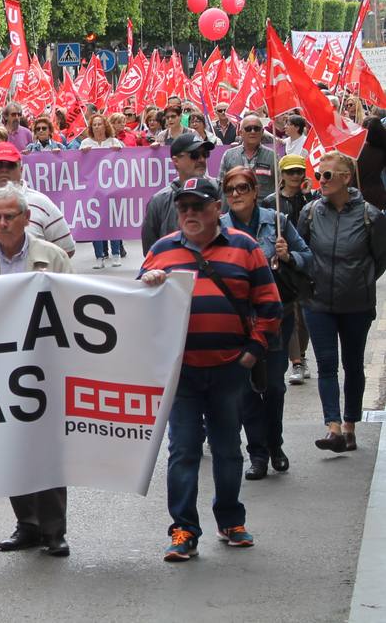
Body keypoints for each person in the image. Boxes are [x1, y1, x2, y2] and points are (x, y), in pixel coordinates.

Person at [140, 177, 281, 562]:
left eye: (198, 207)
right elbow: (136, 308)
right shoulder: (161, 251)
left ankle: (231, 519)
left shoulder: (246, 248)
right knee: (183, 451)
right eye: (183, 207)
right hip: (181, 374)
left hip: (229, 371)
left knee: (226, 450)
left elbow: (270, 305)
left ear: (216, 208)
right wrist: (147, 283)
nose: (189, 214)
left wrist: (253, 352)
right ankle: (183, 529)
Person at [0, 185, 73, 558]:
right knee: (11, 449)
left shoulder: (53, 258)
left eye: (10, 216)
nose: (3, 223)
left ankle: (54, 530)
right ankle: (27, 524)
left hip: (45, 367)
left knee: (47, 451)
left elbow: (72, 311)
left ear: (26, 218)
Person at [219, 167, 311, 481]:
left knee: (273, 386)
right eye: (230, 189)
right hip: (237, 324)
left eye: (243, 188)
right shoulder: (219, 229)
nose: (236, 194)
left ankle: (275, 445)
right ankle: (256, 454)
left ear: (255, 190)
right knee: (245, 392)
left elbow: (307, 257)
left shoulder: (278, 221)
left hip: (275, 318)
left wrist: (289, 256)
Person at [297, 150, 386, 454]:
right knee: (326, 365)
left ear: (346, 178)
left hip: (356, 305)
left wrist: (360, 280)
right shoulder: (309, 212)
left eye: (327, 175)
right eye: (319, 174)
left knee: (353, 365)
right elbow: (303, 251)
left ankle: (350, 425)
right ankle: (332, 427)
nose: (320, 180)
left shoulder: (370, 216)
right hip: (318, 302)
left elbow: (380, 258)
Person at [261, 156, 312, 384]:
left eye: (298, 172)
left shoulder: (310, 199)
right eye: (290, 172)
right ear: (281, 174)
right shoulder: (272, 202)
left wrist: (309, 196)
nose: (294, 176)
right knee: (289, 311)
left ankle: (301, 355)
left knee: (304, 316)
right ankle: (296, 362)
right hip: (280, 265)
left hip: (302, 261)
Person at [141, 133, 216, 254]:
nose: (201, 159)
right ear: (176, 161)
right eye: (195, 155)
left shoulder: (220, 191)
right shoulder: (158, 202)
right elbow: (151, 253)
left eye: (205, 154)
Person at [78, 114, 126, 267]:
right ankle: (100, 257)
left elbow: (128, 159)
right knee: (95, 223)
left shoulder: (114, 141)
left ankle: (116, 254)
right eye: (94, 125)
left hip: (112, 188)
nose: (97, 127)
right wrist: (82, 154)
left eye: (100, 124)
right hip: (93, 190)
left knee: (113, 221)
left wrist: (119, 150)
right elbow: (76, 164)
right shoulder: (85, 143)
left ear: (105, 126)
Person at [219, 114, 277, 199]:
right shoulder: (228, 155)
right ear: (240, 132)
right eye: (248, 129)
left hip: (263, 209)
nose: (253, 132)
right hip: (236, 208)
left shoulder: (273, 156)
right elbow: (221, 185)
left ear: (262, 132)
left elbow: (280, 185)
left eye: (256, 128)